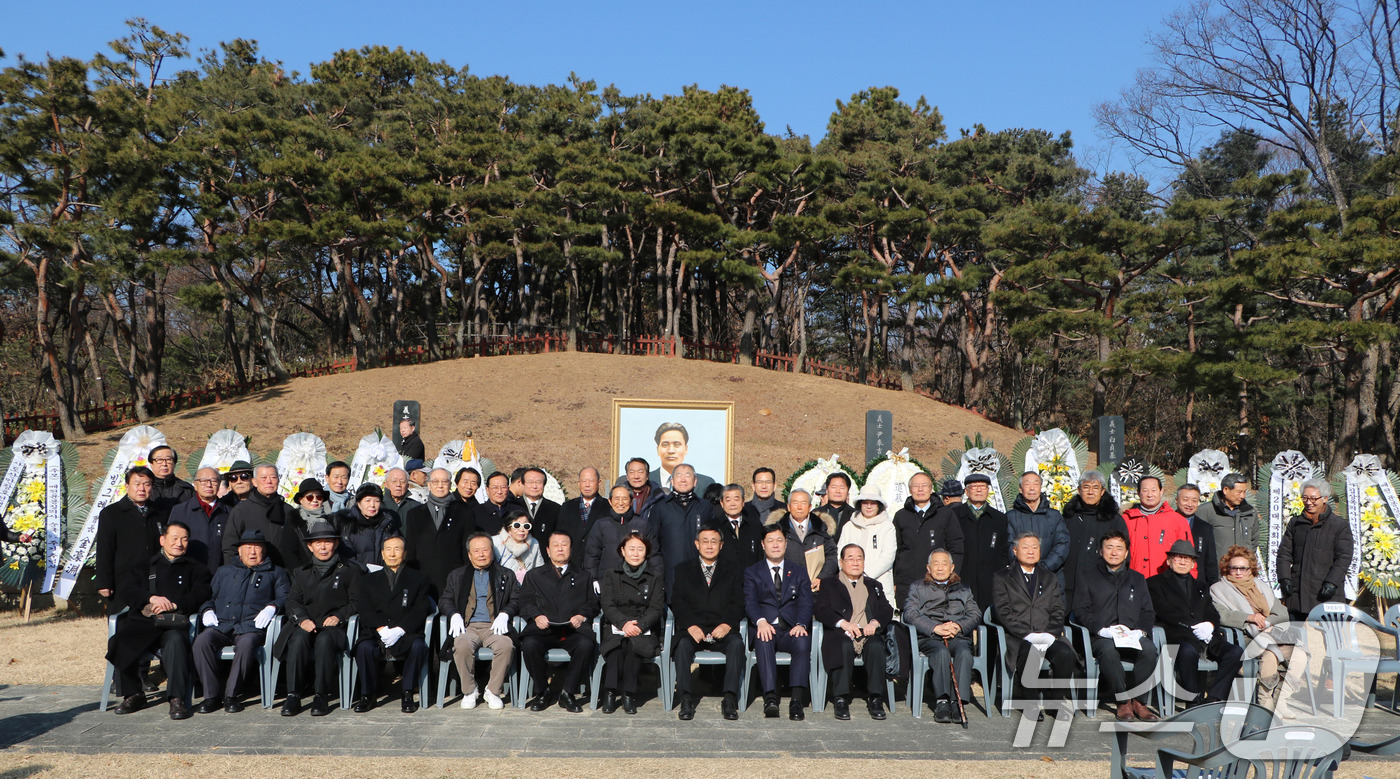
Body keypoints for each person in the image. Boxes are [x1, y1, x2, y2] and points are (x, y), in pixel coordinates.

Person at [106, 520, 212, 719]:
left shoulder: (196, 569)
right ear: (162, 540)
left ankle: (177, 699)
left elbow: (201, 594)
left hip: (174, 622)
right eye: (174, 538)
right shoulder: (144, 566)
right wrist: (150, 598)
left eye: (184, 539)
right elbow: (128, 591)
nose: (179, 543)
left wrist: (174, 604)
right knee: (120, 640)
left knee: (176, 642)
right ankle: (133, 694)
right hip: (145, 622)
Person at [193, 529, 291, 713]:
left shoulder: (276, 573)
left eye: (257, 547)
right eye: (247, 547)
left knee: (246, 645)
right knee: (201, 642)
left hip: (251, 627)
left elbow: (286, 597)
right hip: (222, 624)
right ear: (239, 551)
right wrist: (206, 610)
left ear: (264, 551)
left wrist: (273, 607)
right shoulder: (224, 572)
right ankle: (211, 696)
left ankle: (231, 695)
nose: (252, 552)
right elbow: (208, 596)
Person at [276, 521, 360, 717]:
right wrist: (302, 620)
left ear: (336, 544)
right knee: (297, 639)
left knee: (324, 641)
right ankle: (293, 695)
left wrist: (339, 616)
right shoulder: (301, 572)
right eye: (318, 543)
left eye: (328, 542)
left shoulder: (349, 570)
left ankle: (321, 695)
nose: (323, 547)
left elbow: (357, 601)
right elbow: (292, 602)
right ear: (310, 546)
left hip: (333, 627)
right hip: (307, 623)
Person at [1073, 530, 1158, 722]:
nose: (1114, 552)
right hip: (1102, 636)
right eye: (1109, 547)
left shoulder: (1137, 578)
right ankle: (1123, 702)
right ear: (1101, 551)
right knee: (1108, 651)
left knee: (1150, 649)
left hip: (1131, 636)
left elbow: (1148, 611)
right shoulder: (1087, 576)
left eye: (1119, 548)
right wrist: (1100, 629)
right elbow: (1080, 610)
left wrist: (1141, 631)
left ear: (1126, 553)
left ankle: (1139, 702)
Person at [1148, 540, 1244, 707]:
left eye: (1188, 558)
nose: (1183, 562)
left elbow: (1212, 612)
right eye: (1179, 557)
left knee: (1235, 652)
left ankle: (1214, 697)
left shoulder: (1201, 586)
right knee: (1187, 652)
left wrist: (1210, 626)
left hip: (1206, 637)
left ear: (1193, 563)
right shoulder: (1154, 583)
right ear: (1169, 560)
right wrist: (1192, 626)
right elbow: (1163, 611)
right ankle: (1192, 701)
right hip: (1178, 636)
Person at [992, 533, 1078, 721]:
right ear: (1015, 551)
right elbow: (1003, 612)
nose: (1031, 551)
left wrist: (1052, 633)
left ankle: (1056, 703)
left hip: (1047, 633)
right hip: (1019, 636)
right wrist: (1026, 634)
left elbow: (1057, 609)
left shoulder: (1050, 577)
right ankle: (1030, 705)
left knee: (1066, 653)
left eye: (1035, 547)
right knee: (1030, 652)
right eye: (1025, 547)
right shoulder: (1002, 577)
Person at [1211, 545, 1300, 711]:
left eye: (1243, 568)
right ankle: (1265, 702)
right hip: (1246, 637)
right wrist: (1248, 618)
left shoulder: (1261, 587)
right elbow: (1221, 614)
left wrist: (1266, 623)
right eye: (1233, 568)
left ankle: (1281, 698)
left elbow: (1282, 613)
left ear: (1250, 569)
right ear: (1226, 569)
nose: (1238, 572)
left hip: (1272, 633)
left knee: (1300, 654)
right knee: (1270, 655)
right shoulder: (1218, 590)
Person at [672, 524, 746, 721]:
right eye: (705, 541)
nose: (709, 546)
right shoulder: (683, 569)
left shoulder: (733, 569)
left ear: (721, 545)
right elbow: (677, 601)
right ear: (697, 544)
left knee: (737, 644)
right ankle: (686, 698)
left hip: (722, 628)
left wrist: (727, 624)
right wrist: (690, 625)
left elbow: (739, 601)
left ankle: (730, 698)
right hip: (694, 628)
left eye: (714, 541)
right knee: (681, 646)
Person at [519, 532, 599, 713]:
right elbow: (525, 602)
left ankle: (567, 692)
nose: (560, 548)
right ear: (547, 550)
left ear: (571, 549)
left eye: (564, 544)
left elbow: (593, 603)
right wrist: (536, 616)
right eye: (555, 545)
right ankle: (542, 691)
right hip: (544, 630)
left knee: (586, 645)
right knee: (529, 645)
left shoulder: (583, 576)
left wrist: (581, 616)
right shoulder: (535, 575)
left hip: (572, 630)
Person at [351, 535, 432, 713]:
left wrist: (400, 629)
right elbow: (364, 609)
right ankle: (368, 695)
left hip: (405, 632)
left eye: (397, 549)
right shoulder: (368, 580)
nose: (392, 553)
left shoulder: (418, 578)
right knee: (364, 648)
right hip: (376, 632)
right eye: (388, 549)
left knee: (418, 646)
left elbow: (421, 608)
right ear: (382, 553)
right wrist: (381, 628)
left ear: (405, 553)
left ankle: (408, 692)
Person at [744, 524, 814, 721]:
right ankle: (771, 698)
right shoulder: (752, 571)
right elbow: (750, 601)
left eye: (779, 540)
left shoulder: (798, 571)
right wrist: (760, 621)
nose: (775, 545)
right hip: (766, 626)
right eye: (770, 541)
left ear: (785, 543)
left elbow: (806, 601)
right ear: (763, 545)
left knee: (802, 642)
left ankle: (796, 700)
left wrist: (801, 624)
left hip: (792, 627)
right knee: (763, 640)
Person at [814, 544, 892, 721]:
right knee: (842, 646)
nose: (855, 562)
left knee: (876, 648)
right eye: (850, 558)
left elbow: (886, 608)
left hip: (867, 631)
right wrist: (843, 624)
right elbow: (821, 610)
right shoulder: (829, 584)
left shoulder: (874, 585)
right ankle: (841, 697)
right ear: (841, 562)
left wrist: (875, 621)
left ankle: (876, 697)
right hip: (841, 632)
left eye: (859, 558)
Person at [441, 532, 518, 710]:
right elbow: (445, 599)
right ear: (469, 554)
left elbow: (517, 599)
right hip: (468, 626)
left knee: (506, 646)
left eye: (485, 549)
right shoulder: (457, 575)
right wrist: (454, 614)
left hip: (494, 626)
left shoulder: (505, 574)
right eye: (476, 551)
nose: (481, 554)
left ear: (492, 551)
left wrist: (505, 613)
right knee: (461, 645)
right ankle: (470, 690)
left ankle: (493, 690)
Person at [904, 549, 980, 723]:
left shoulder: (964, 589)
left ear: (952, 567)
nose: (940, 568)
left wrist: (958, 626)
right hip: (930, 637)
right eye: (935, 564)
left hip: (957, 635)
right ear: (928, 568)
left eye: (944, 563)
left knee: (964, 653)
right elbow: (910, 613)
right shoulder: (917, 587)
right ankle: (942, 701)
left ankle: (957, 701)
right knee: (941, 653)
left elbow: (975, 614)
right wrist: (935, 627)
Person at [598, 531, 665, 714]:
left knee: (635, 646)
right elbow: (607, 604)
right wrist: (623, 624)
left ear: (647, 552)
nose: (635, 553)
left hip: (644, 626)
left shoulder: (655, 576)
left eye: (640, 549)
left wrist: (639, 626)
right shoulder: (611, 574)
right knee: (616, 647)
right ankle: (610, 693)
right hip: (617, 624)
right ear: (623, 551)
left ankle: (629, 694)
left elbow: (656, 608)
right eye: (631, 549)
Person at [1276, 479, 1354, 621]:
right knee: (1295, 637)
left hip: (1325, 593)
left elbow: (1343, 558)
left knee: (1327, 639)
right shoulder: (1295, 523)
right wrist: (1284, 578)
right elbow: (1284, 554)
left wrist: (1332, 582)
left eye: (1313, 498)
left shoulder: (1339, 525)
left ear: (1325, 498)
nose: (1308, 502)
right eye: (1305, 498)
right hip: (1298, 592)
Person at [893, 473, 967, 605]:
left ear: (931, 489)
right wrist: (895, 581)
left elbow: (956, 546)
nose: (920, 489)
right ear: (910, 490)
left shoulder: (945, 514)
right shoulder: (901, 516)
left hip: (938, 582)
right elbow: (896, 550)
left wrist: (950, 576)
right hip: (907, 582)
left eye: (924, 485)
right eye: (916, 486)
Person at [1059, 471, 1127, 611]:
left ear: (1102, 491)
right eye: (1086, 487)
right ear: (1078, 490)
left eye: (1095, 488)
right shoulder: (1068, 516)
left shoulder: (1113, 519)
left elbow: (1123, 552)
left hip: (1101, 584)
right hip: (1069, 581)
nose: (1090, 492)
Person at [95, 466, 164, 601]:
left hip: (154, 579)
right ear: (127, 486)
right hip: (124, 579)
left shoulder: (160, 513)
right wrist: (104, 582)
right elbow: (104, 549)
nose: (141, 489)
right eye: (137, 484)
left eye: (146, 484)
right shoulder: (111, 513)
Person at [404, 467, 474, 595]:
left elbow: (466, 549)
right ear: (429, 485)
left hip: (454, 577)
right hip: (423, 577)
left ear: (451, 485)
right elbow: (411, 551)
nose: (440, 486)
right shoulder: (415, 515)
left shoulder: (464, 512)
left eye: (444, 482)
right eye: (435, 482)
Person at [222, 464, 302, 570]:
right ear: (254, 482)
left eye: (273, 477)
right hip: (250, 574)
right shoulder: (241, 510)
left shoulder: (288, 510)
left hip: (282, 573)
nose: (269, 481)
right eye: (264, 478)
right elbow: (229, 546)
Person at [653, 464, 715, 597]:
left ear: (695, 481)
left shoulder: (705, 507)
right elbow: (653, 542)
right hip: (669, 575)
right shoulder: (661, 507)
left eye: (687, 475)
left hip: (700, 575)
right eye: (679, 476)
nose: (683, 479)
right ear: (672, 481)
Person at [952, 473, 1009, 610]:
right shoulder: (954, 515)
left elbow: (1003, 550)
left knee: (989, 620)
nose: (979, 490)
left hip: (990, 580)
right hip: (961, 577)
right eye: (974, 487)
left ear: (988, 490)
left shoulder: (998, 518)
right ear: (966, 491)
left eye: (983, 487)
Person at [1121, 476, 1192, 579]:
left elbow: (1188, 554)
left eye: (1154, 490)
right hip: (1133, 579)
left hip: (1166, 581)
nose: (1150, 494)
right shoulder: (1126, 519)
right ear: (1138, 492)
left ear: (1161, 491)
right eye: (1145, 490)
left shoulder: (1177, 520)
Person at [584, 485, 658, 581]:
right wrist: (593, 579)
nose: (620, 503)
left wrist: (657, 579)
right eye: (617, 499)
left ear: (631, 501)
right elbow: (591, 556)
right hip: (607, 581)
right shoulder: (601, 525)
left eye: (624, 499)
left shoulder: (642, 524)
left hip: (637, 580)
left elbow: (654, 555)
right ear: (610, 501)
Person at [1004, 471, 1070, 577]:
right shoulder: (1010, 517)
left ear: (1040, 488)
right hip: (1019, 576)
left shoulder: (1054, 516)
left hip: (1050, 575)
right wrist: (1023, 568)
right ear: (1021, 489)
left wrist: (1045, 567)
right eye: (1027, 484)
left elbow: (1062, 544)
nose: (1032, 488)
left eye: (1036, 484)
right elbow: (1009, 544)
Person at [837, 484, 897, 594]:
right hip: (849, 582)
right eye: (865, 502)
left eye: (873, 503)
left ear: (879, 505)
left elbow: (888, 556)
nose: (869, 506)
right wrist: (850, 574)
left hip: (878, 581)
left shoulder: (887, 526)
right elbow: (840, 552)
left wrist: (865, 575)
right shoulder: (849, 526)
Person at [774, 489, 837, 589]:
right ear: (789, 507)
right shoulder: (778, 530)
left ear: (810, 507)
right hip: (786, 588)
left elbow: (832, 554)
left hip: (815, 588)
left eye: (803, 503)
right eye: (795, 503)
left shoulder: (820, 529)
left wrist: (822, 577)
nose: (799, 507)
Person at [334, 483, 403, 569]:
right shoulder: (348, 525)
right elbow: (346, 556)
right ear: (359, 503)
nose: (372, 505)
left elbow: (398, 550)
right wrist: (363, 570)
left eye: (377, 501)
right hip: (358, 576)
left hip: (385, 576)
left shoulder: (388, 523)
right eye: (368, 500)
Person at [1195, 472, 1259, 557]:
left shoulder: (1249, 512)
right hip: (1216, 567)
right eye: (1239, 492)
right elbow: (1199, 542)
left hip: (1242, 567)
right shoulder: (1206, 511)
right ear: (1226, 490)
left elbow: (1254, 540)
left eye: (1244, 492)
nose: (1242, 496)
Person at [557, 467, 605, 567]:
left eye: (591, 481)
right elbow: (560, 534)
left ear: (599, 482)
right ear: (579, 483)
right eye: (583, 481)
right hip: (572, 564)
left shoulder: (608, 507)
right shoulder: (567, 507)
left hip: (598, 564)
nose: (587, 484)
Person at [650, 422, 716, 494]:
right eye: (665, 445)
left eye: (677, 445)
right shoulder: (646, 481)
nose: (671, 451)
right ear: (658, 449)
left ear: (686, 449)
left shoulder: (705, 484)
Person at [1175, 484, 1218, 586]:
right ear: (1177, 500)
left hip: (1197, 583)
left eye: (1194, 501)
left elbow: (1210, 561)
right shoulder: (1165, 523)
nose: (1190, 504)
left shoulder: (1205, 528)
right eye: (1185, 500)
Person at [715, 483, 764, 571]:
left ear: (743, 502)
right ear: (722, 503)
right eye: (728, 500)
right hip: (723, 581)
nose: (732, 504)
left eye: (736, 499)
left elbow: (760, 556)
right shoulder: (713, 527)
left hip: (750, 581)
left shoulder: (755, 527)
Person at [494, 507, 545, 581]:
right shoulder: (495, 542)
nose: (521, 530)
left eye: (526, 526)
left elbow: (539, 570)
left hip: (526, 588)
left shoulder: (534, 543)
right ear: (508, 528)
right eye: (517, 525)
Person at [520, 467, 562, 545]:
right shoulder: (513, 506)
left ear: (544, 484)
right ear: (523, 483)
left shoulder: (556, 509)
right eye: (530, 482)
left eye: (539, 482)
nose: (534, 486)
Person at [147, 445, 195, 512]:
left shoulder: (187, 490)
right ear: (151, 464)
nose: (164, 464)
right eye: (159, 460)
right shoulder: (144, 488)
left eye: (168, 460)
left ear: (175, 463)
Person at [620, 457, 666, 523]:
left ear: (647, 475)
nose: (636, 476)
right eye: (632, 472)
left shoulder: (659, 497)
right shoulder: (619, 498)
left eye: (640, 472)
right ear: (627, 476)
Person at [811, 472, 855, 537]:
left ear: (848, 491)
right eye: (834, 487)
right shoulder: (816, 514)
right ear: (827, 490)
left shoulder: (855, 515)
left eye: (842, 488)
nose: (838, 491)